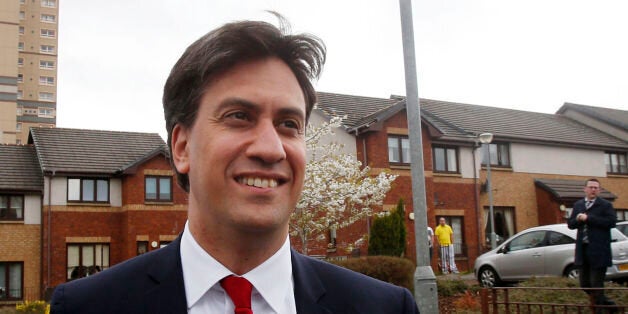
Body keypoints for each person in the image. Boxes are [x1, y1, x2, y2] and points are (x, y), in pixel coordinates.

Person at [50, 15, 419, 314]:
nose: (271, 149)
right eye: (240, 116)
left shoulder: (385, 307)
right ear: (181, 147)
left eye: (289, 125)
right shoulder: (87, 307)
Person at [567, 178, 617, 311]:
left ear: (599, 190)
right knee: (584, 284)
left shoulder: (605, 205)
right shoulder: (578, 205)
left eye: (596, 188)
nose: (593, 190)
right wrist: (578, 220)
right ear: (585, 189)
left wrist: (589, 218)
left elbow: (611, 222)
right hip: (583, 251)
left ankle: (599, 310)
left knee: (596, 285)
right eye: (591, 187)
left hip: (599, 251)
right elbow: (571, 225)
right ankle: (611, 306)